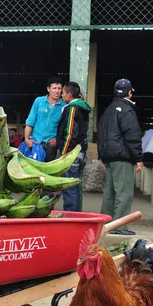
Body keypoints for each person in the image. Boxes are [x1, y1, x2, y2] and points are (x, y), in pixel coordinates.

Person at [97, 79, 144, 235]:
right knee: (124, 193)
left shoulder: (108, 110)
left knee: (109, 193)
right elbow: (133, 136)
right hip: (122, 158)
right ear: (129, 93)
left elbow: (101, 135)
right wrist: (138, 158)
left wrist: (103, 157)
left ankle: (107, 224)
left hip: (109, 158)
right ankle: (119, 226)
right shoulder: (126, 110)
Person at [56, 82, 91, 212]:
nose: (62, 95)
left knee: (69, 187)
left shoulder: (72, 108)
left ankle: (71, 216)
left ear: (69, 95)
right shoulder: (83, 108)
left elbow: (70, 133)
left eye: (63, 93)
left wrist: (64, 153)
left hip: (71, 153)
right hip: (80, 152)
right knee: (75, 186)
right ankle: (75, 214)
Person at [24, 76, 65, 161]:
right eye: (54, 88)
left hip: (51, 145)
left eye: (59, 88)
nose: (57, 91)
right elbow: (30, 121)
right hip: (35, 143)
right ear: (48, 89)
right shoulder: (38, 101)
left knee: (47, 170)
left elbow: (65, 128)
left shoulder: (64, 106)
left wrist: (57, 140)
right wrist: (27, 139)